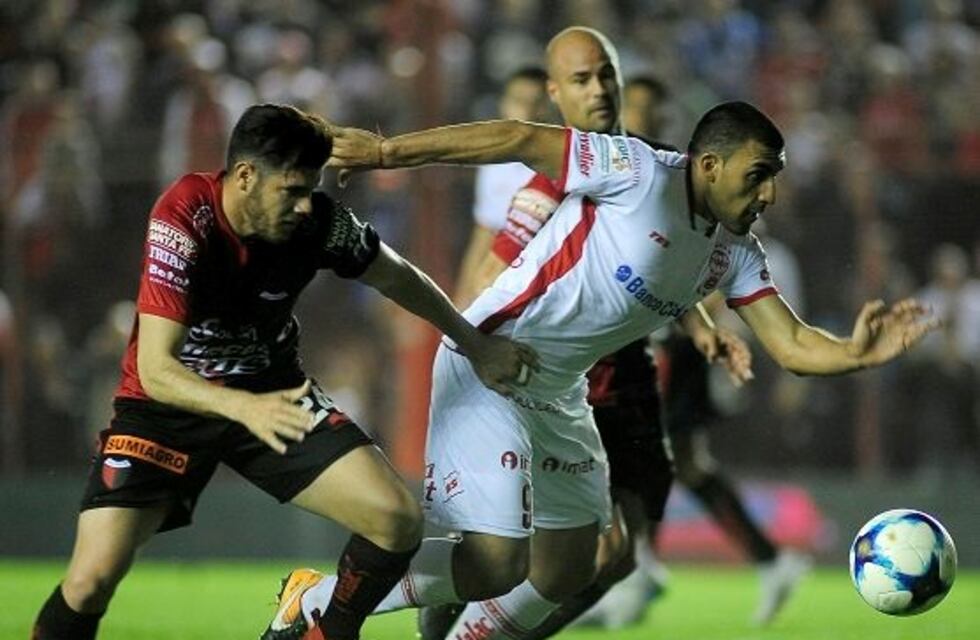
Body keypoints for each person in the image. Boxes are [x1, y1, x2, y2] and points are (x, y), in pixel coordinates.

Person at [263, 29, 750, 640]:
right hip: (531, 367)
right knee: (501, 557)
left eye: (607, 75)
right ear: (555, 94)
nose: (599, 90)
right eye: (581, 79)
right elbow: (496, 264)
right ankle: (366, 608)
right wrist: (474, 346)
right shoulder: (558, 175)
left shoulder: (655, 165)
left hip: (618, 376)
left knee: (602, 558)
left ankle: (427, 617)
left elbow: (672, 256)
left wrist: (700, 325)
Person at [30, 103, 535, 640]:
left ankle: (323, 628)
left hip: (271, 390)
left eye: (309, 189)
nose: (303, 205)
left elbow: (397, 277)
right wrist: (244, 406)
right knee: (89, 583)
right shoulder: (185, 214)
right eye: (291, 190)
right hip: (165, 409)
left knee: (396, 519)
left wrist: (473, 341)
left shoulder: (318, 221)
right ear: (245, 176)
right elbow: (156, 370)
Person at [619, 74, 813, 627]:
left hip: (665, 347)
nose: (639, 118)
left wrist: (702, 326)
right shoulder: (627, 173)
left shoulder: (680, 182)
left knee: (648, 452)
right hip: (651, 337)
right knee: (683, 460)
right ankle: (765, 560)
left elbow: (700, 261)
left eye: (648, 111)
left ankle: (637, 567)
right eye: (632, 107)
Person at [455, 66, 552, 307]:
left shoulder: (561, 165)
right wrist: (461, 300)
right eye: (519, 101)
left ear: (550, 108)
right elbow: (485, 232)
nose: (527, 111)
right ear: (504, 104)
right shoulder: (493, 164)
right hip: (503, 284)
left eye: (537, 102)